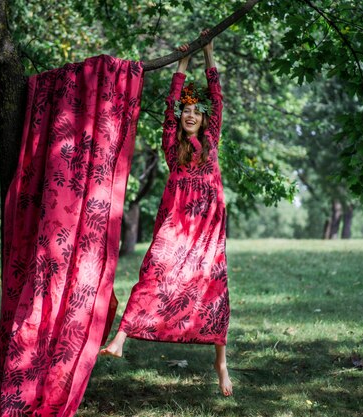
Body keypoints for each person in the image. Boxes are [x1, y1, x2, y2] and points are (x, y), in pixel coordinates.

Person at [101, 31, 232, 397]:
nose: (190, 114)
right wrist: (182, 64)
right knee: (154, 270)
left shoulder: (211, 142)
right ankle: (120, 339)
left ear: (205, 121)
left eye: (196, 112)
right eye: (185, 111)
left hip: (206, 229)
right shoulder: (173, 148)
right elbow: (169, 105)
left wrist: (208, 53)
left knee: (213, 290)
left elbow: (217, 99)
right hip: (176, 225)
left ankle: (220, 364)